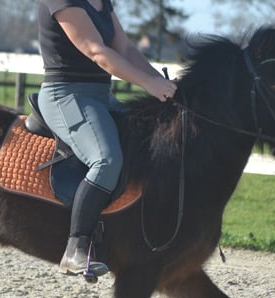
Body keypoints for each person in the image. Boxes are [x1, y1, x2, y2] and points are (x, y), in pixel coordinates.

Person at [37, 0, 177, 278]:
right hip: (66, 95)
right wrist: (148, 84)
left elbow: (125, 49)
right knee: (106, 159)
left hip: (102, 95)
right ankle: (76, 247)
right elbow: (96, 51)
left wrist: (166, 85)